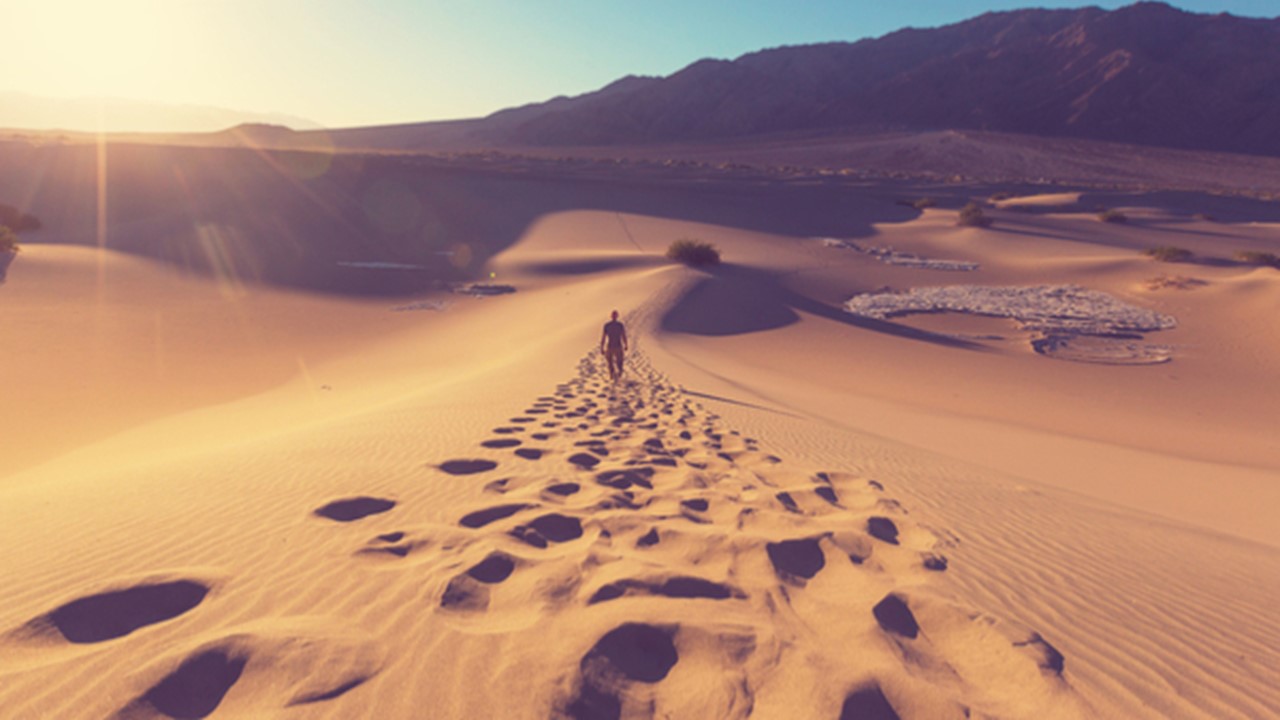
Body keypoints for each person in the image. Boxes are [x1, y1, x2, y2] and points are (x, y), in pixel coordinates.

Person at [601, 310, 628, 380]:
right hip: (610, 346)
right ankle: (612, 376)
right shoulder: (607, 325)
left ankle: (619, 376)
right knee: (610, 362)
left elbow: (623, 335)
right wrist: (602, 347)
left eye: (615, 315)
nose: (614, 316)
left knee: (620, 362)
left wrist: (626, 344)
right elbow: (603, 337)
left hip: (618, 346)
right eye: (613, 315)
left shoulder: (620, 325)